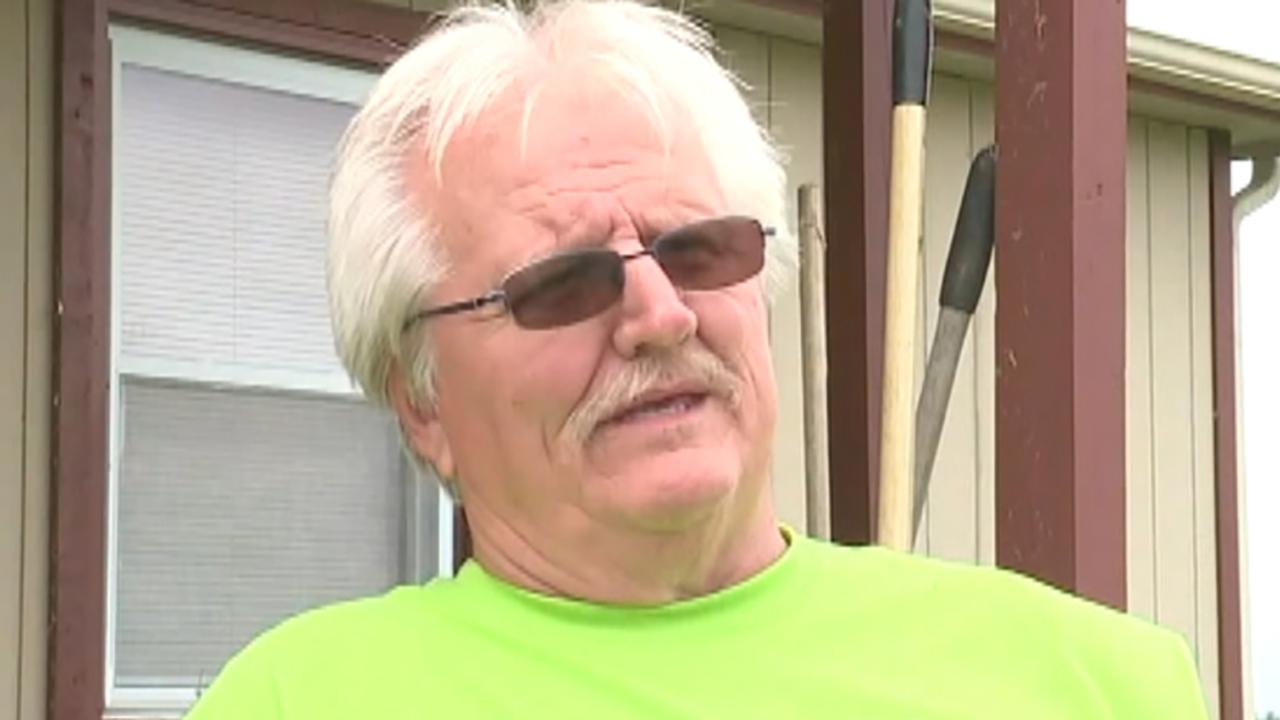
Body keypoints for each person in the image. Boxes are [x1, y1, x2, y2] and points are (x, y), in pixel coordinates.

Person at [186, 1, 1208, 717]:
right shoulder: (294, 701)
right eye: (564, 283)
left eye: (698, 249)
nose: (660, 314)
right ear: (422, 402)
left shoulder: (1095, 686)